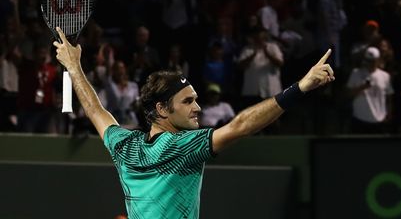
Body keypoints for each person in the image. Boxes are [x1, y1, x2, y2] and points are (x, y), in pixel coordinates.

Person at [52, 26, 334, 219]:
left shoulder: (124, 146)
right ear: (162, 109)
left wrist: (73, 67)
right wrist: (301, 87)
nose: (198, 107)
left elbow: (94, 110)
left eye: (196, 99)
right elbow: (241, 126)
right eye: (188, 101)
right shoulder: (184, 147)